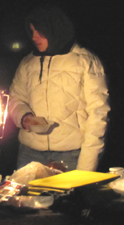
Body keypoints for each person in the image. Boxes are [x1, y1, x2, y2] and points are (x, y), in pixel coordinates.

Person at [9, 4, 110, 171]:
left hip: (70, 155)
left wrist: (86, 166)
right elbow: (15, 98)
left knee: (67, 197)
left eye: (39, 31)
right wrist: (23, 117)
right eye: (32, 31)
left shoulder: (84, 61)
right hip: (30, 153)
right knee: (25, 198)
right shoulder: (28, 63)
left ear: (54, 29)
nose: (34, 37)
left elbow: (98, 114)